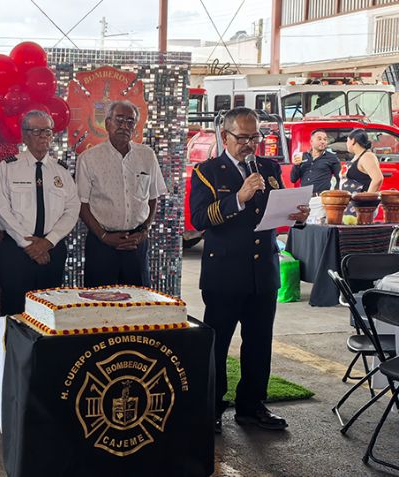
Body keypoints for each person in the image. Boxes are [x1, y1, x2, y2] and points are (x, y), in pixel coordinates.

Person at [189, 107, 309, 434]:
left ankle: (252, 406)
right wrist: (238, 199)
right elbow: (200, 219)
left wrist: (296, 214)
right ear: (225, 136)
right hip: (225, 274)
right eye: (242, 137)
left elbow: (278, 209)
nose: (249, 144)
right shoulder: (207, 171)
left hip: (263, 272)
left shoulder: (269, 167)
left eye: (255, 136)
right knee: (219, 343)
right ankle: (211, 407)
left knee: (259, 343)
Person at [0, 109, 80, 315]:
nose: (43, 136)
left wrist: (48, 242)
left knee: (47, 315)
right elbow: (2, 210)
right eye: (36, 130)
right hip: (16, 251)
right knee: (14, 313)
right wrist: (29, 245)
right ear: (24, 135)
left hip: (52, 251)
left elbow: (72, 208)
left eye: (48, 131)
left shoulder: (61, 171)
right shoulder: (8, 167)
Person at [76, 100, 166, 287]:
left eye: (130, 122)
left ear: (135, 127)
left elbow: (153, 197)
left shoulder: (147, 156)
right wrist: (103, 236)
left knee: (137, 305)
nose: (125, 126)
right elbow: (82, 205)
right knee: (100, 304)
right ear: (108, 123)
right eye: (119, 120)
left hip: (136, 243)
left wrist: (145, 230)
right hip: (102, 244)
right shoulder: (89, 158)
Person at [289, 129, 340, 195]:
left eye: (325, 139)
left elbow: (339, 178)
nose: (323, 142)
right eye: (319, 139)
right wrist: (296, 165)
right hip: (304, 196)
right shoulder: (302, 156)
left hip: (321, 198)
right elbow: (293, 179)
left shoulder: (332, 158)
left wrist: (336, 194)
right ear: (311, 141)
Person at [341, 128, 383, 195]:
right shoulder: (356, 156)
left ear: (353, 141)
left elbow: (378, 179)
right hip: (351, 201)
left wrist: (367, 198)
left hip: (361, 203)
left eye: (347, 140)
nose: (346, 143)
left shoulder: (367, 157)